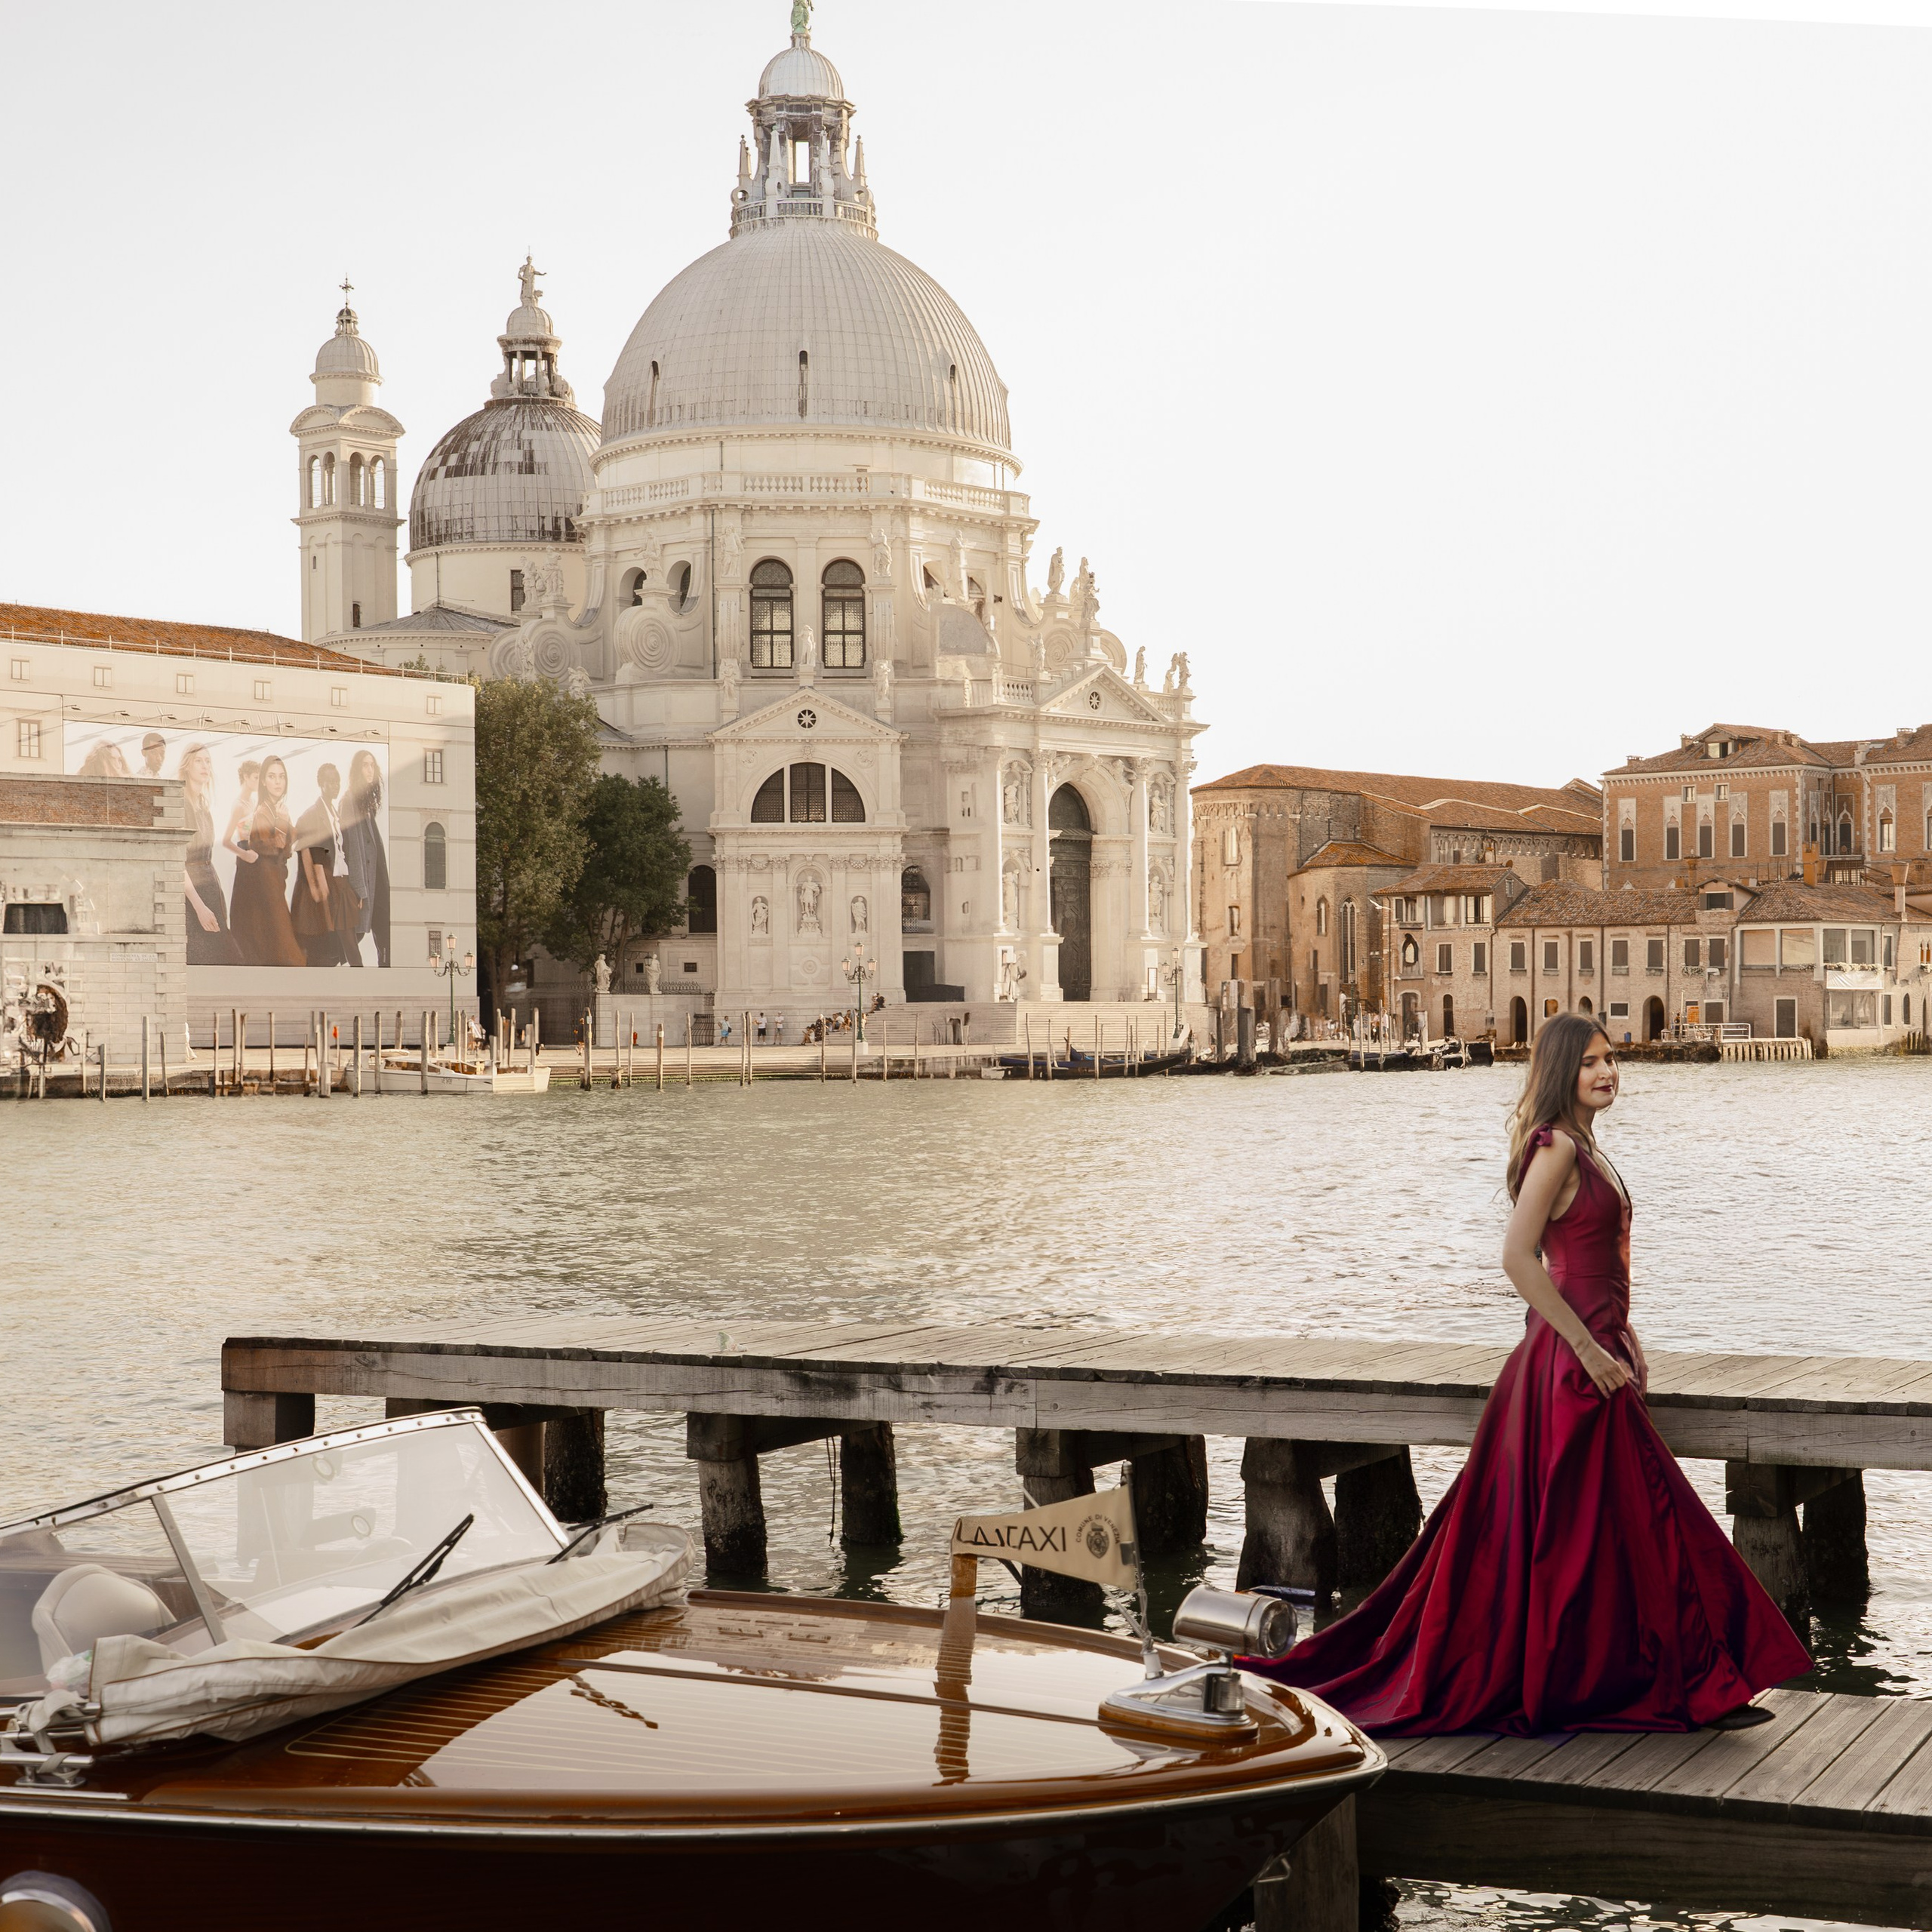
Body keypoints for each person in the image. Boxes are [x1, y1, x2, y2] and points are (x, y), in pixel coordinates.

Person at [1256, 1014, 1811, 1735]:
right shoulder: (1555, 1148)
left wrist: (1626, 1332)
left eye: (1611, 1060)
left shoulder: (1588, 1146)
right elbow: (1520, 1258)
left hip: (1596, 1354)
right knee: (1624, 1523)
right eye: (1589, 1064)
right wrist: (1588, 1349)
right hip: (1568, 1370)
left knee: (1614, 1530)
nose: (1606, 1073)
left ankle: (1670, 1680)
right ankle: (1689, 1684)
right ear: (1559, 1073)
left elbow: (1599, 1258)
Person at [228, 755, 306, 967]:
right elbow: (272, 846)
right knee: (283, 946)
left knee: (278, 943)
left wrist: (284, 824)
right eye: (272, 776)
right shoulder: (263, 811)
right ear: (263, 781)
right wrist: (282, 823)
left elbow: (288, 847)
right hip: (266, 883)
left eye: (282, 777)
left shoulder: (278, 809)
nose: (278, 782)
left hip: (275, 881)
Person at [291, 764, 361, 966]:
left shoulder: (334, 813)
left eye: (337, 781)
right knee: (330, 944)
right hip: (326, 885)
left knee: (351, 938)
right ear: (321, 784)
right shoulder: (312, 814)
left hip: (340, 883)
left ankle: (357, 973)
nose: (335, 785)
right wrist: (320, 887)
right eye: (330, 781)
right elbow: (311, 854)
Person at [178, 744, 241, 964]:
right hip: (191, 895)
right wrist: (199, 906)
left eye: (208, 761)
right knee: (201, 955)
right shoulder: (180, 804)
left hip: (210, 888)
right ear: (187, 765)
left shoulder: (203, 806)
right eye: (199, 761)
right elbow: (178, 862)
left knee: (222, 956)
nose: (205, 766)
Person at [340, 749, 391, 968]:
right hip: (367, 882)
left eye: (372, 765)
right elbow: (351, 847)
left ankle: (386, 973)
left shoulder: (366, 801)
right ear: (356, 770)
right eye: (365, 765)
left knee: (385, 931)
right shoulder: (349, 800)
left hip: (378, 878)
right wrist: (359, 888)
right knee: (357, 933)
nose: (370, 770)